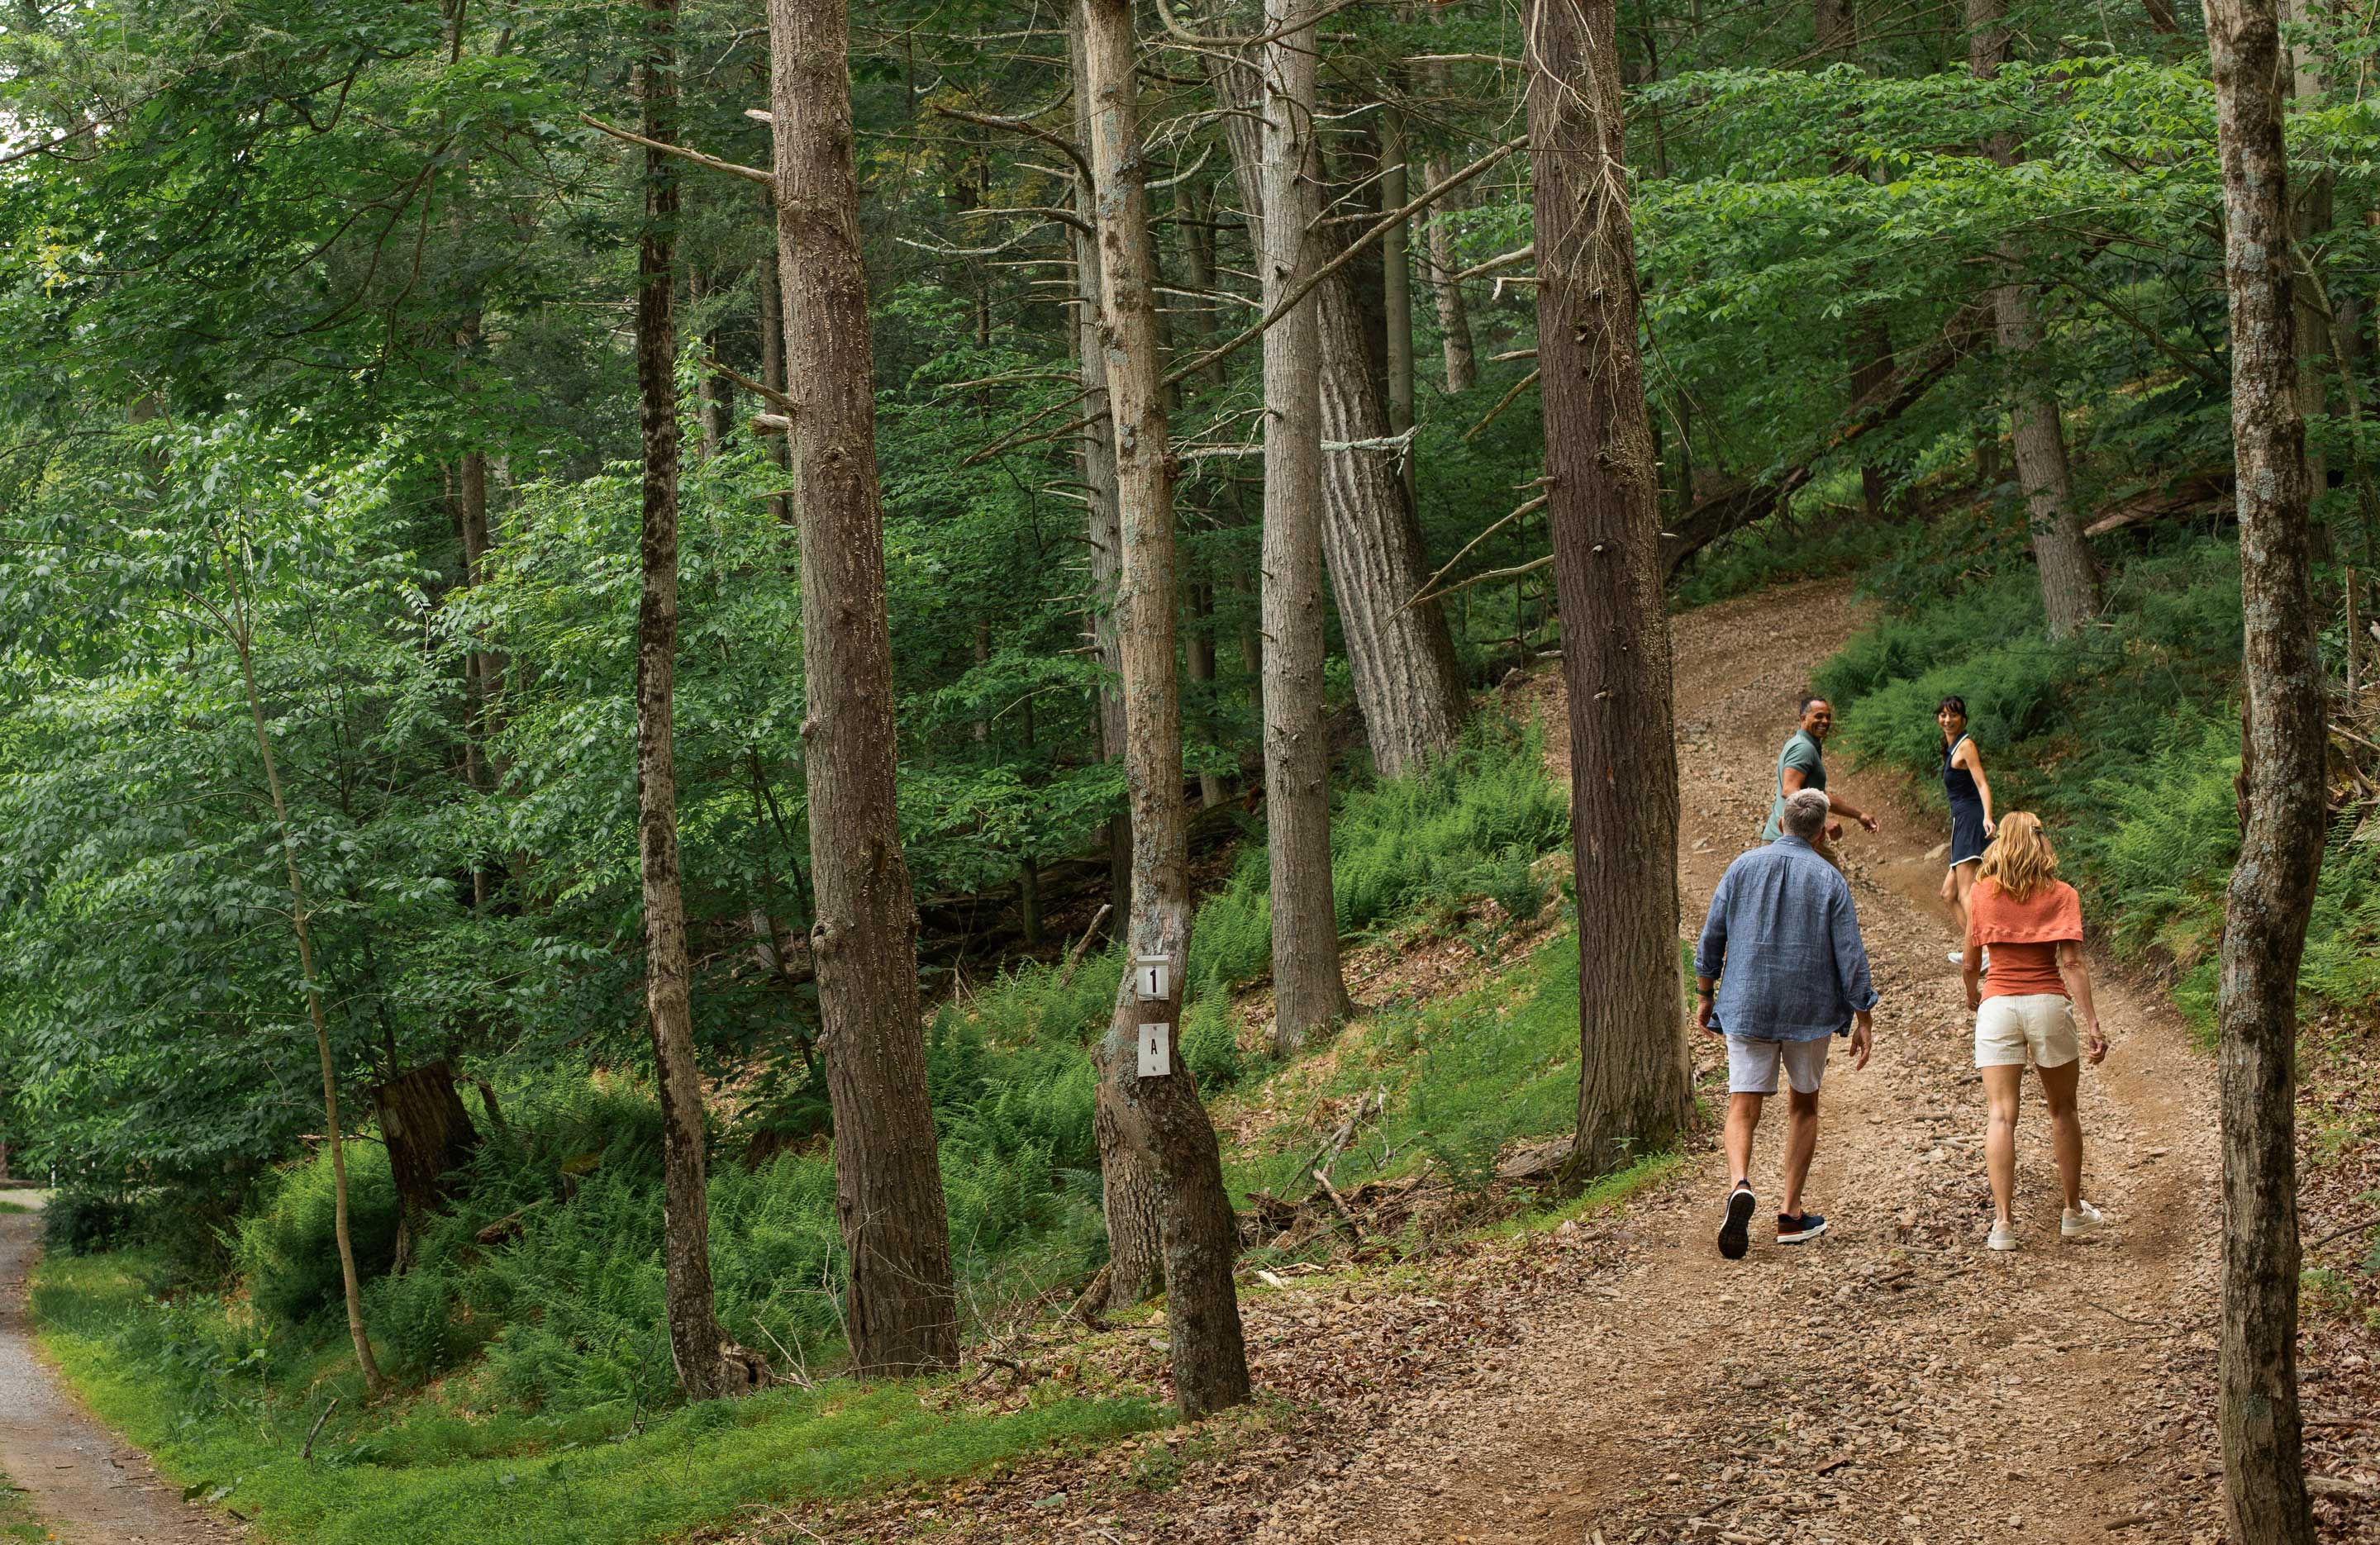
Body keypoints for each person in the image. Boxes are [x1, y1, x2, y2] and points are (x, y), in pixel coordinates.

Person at [1696, 787, 1878, 1259]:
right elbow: (1850, 955)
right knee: (1805, 1105)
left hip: (1748, 1004)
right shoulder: (1829, 879)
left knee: (1742, 1106)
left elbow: (1711, 935)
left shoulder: (1741, 867)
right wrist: (1864, 1016)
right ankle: (1791, 1215)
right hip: (1810, 1010)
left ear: (1781, 824)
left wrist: (1704, 995)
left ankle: (1740, 1184)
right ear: (1820, 833)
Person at [1961, 812, 2109, 1251]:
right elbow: (2072, 964)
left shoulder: (1981, 893)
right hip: (2047, 1003)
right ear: (2040, 842)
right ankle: (2072, 1211)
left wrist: (1974, 993)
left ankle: (2003, 1225)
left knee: (2001, 1115)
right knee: (2063, 1110)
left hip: (1999, 1005)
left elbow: (1971, 963)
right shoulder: (2062, 895)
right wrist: (2093, 1023)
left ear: (2002, 843)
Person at [1760, 696, 1880, 868]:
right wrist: (1822, 821)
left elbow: (1818, 795)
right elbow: (1789, 789)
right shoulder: (1803, 748)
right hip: (1792, 839)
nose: (1825, 721)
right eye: (1818, 716)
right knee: (1834, 888)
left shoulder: (1805, 744)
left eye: (1828, 716)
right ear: (1803, 718)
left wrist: (1859, 815)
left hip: (1794, 837)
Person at [1935, 696, 1997, 965]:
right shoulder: (1951, 749)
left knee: (1966, 892)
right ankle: (1978, 949)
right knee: (1948, 894)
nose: (1947, 720)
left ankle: (1989, 953)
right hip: (1960, 821)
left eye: (1953, 715)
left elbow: (1982, 784)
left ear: (1963, 719)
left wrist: (1988, 817)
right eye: (1943, 715)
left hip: (1970, 821)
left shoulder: (1966, 746)